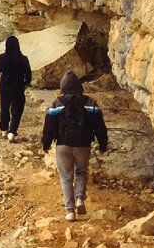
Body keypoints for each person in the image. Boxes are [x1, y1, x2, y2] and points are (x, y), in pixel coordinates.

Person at [42, 70, 108, 221]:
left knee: (66, 177)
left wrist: (46, 143)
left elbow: (49, 126)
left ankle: (70, 211)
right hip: (83, 145)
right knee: (81, 172)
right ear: (79, 87)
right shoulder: (90, 103)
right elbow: (100, 127)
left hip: (62, 145)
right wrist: (103, 144)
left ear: (62, 88)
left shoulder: (57, 103)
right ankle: (79, 198)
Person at [0, 36, 33, 141]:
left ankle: (4, 129)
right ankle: (12, 132)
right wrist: (26, 83)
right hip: (18, 87)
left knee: (4, 108)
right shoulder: (23, 58)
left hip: (5, 86)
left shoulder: (2, 57)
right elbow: (28, 73)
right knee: (17, 110)